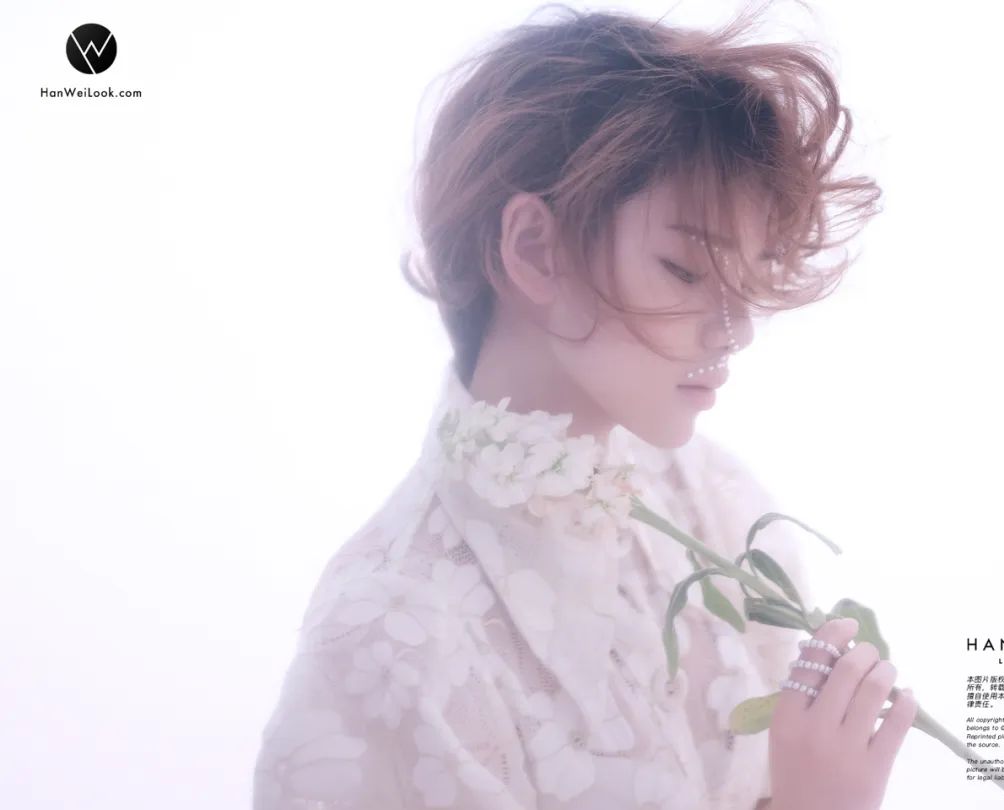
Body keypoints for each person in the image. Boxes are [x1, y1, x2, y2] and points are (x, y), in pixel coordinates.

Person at [252, 3, 918, 808]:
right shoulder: (386, 640)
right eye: (686, 269)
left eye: (749, 278)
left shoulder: (716, 499)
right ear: (535, 250)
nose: (736, 329)